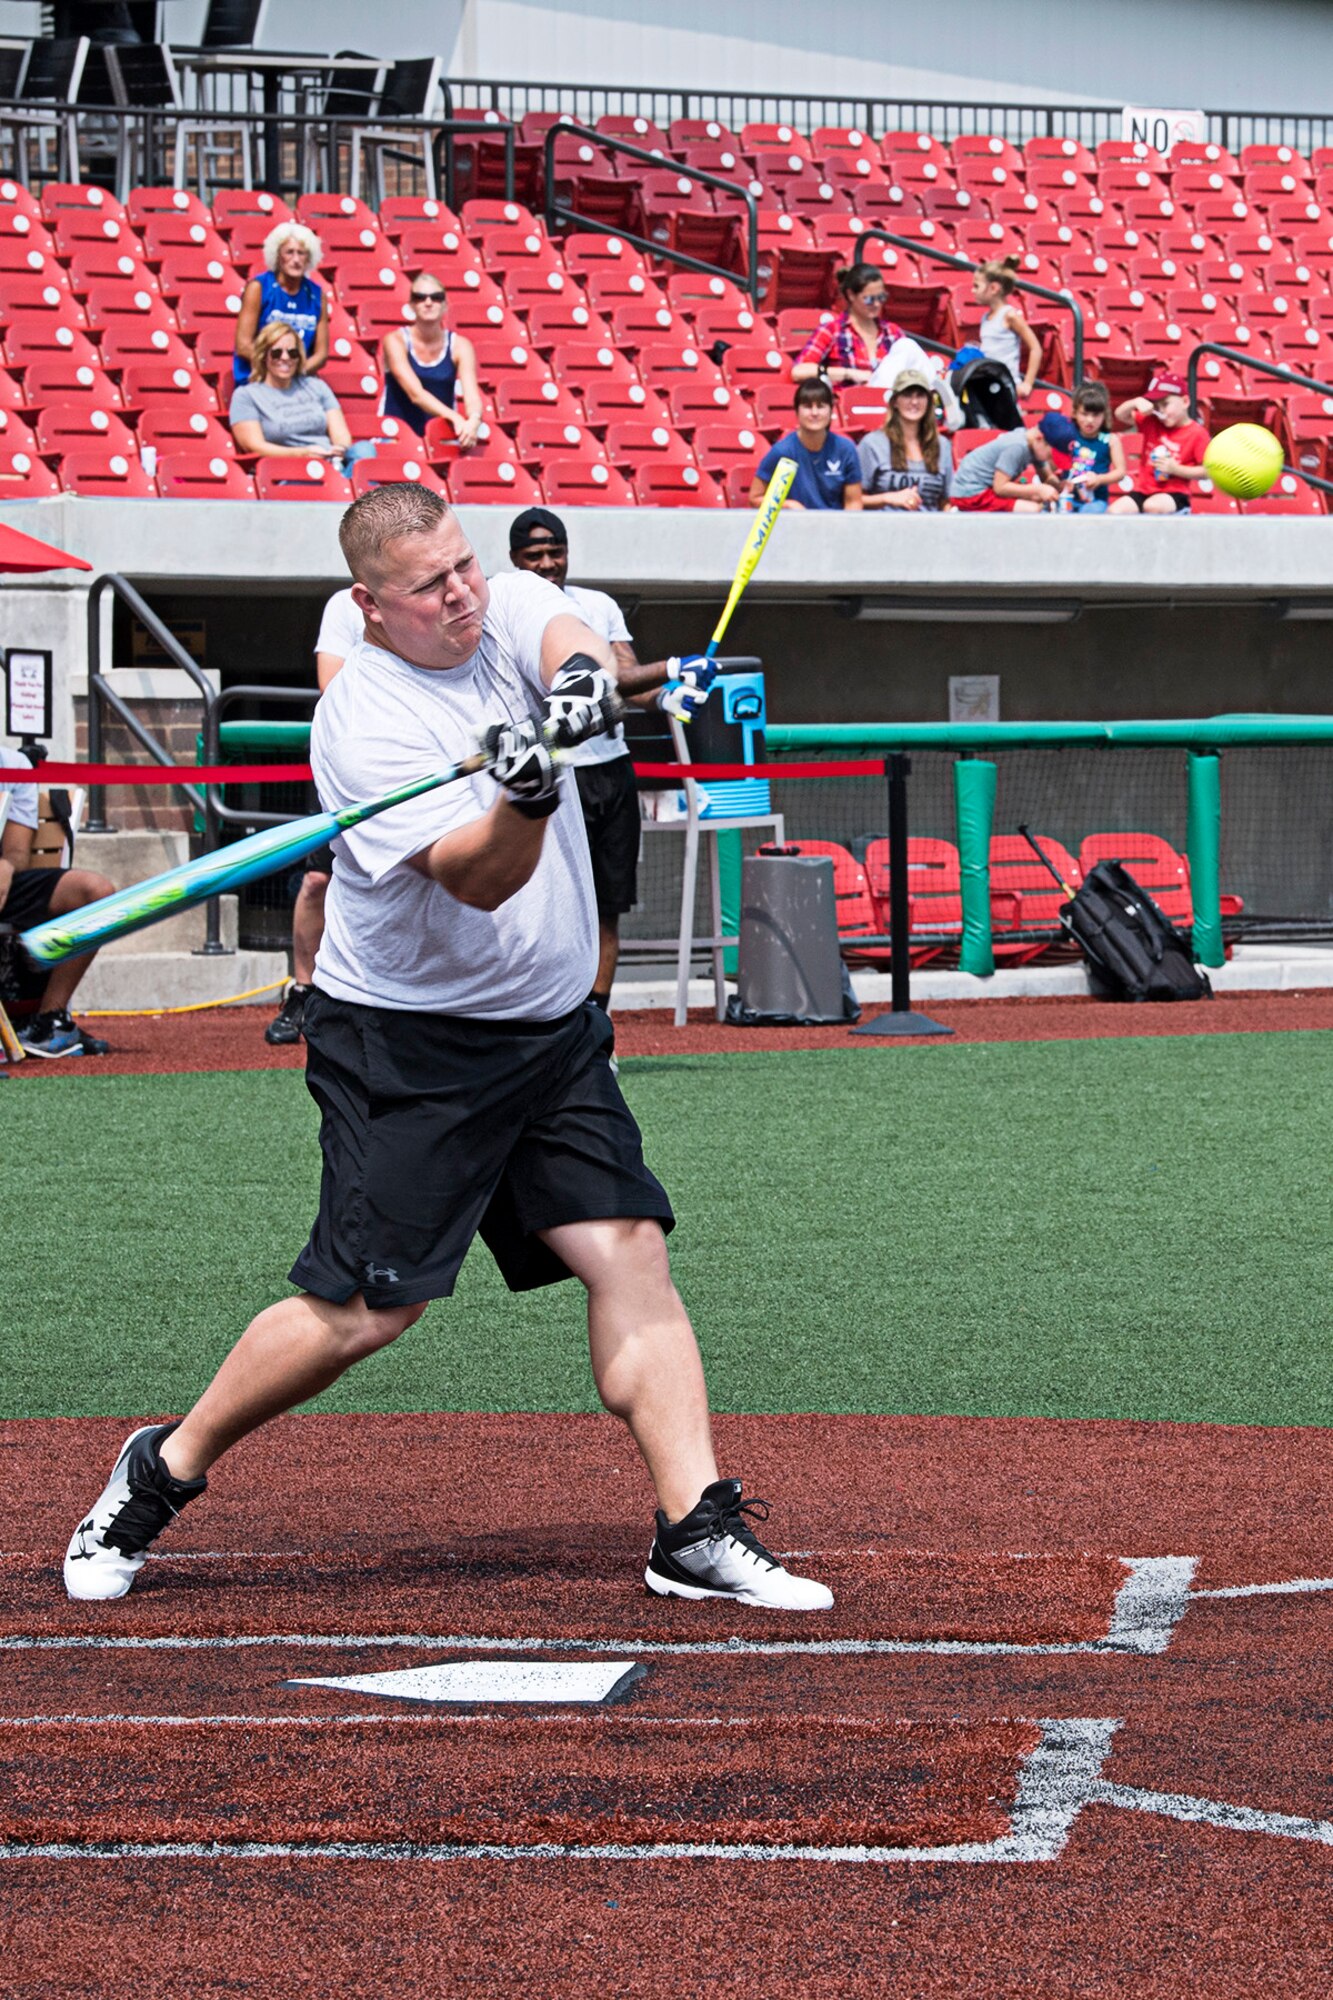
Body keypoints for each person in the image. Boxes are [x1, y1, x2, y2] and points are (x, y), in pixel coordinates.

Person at [64, 484, 832, 1617]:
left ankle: (692, 1524)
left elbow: (560, 631)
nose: (461, 593)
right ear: (370, 607)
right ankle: (158, 1469)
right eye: (429, 586)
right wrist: (526, 790)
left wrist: (575, 686)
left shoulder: (502, 596)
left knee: (627, 1249)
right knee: (366, 1310)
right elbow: (479, 877)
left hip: (551, 1032)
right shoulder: (363, 723)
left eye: (462, 567)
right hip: (407, 1046)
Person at [507, 506, 716, 1012]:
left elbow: (625, 674)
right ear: (515, 560)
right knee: (546, 907)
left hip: (611, 771)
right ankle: (543, 1016)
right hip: (554, 774)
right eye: (534, 555)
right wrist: (670, 671)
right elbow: (615, 680)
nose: (547, 563)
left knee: (607, 907)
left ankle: (596, 1027)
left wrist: (664, 695)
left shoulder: (597, 605)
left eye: (555, 552)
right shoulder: (508, 609)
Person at [265, 587, 363, 1046]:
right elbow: (332, 683)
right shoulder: (345, 605)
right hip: (353, 769)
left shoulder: (442, 598)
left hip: (422, 765)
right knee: (317, 882)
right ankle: (303, 989)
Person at [0, 744, 112, 1057]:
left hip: (5, 886)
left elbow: (17, 852)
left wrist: (7, 867)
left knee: (96, 893)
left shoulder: (13, 763)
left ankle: (49, 1021)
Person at [230, 323, 377, 477]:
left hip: (330, 461)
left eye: (292, 353)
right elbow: (254, 446)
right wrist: (302, 454)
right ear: (264, 355)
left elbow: (340, 433)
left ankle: (345, 485)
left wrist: (339, 448)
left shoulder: (316, 386)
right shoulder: (246, 395)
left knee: (365, 450)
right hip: (289, 468)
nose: (285, 358)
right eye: (276, 353)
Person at [380, 271, 483, 447]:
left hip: (441, 436)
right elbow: (416, 394)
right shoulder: (395, 340)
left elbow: (471, 395)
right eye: (420, 297)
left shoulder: (460, 345)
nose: (428, 303)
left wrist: (473, 420)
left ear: (445, 305)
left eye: (436, 297)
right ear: (411, 305)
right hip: (395, 437)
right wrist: (455, 417)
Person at [233, 222, 329, 385]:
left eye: (302, 253)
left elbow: (321, 354)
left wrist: (295, 371)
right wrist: (279, 369)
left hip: (298, 380)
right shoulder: (259, 288)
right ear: (278, 256)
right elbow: (243, 345)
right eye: (289, 253)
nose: (296, 260)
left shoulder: (317, 295)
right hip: (258, 380)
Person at [751, 379, 864, 511]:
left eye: (821, 406)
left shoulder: (846, 449)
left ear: (831, 411)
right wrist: (788, 505)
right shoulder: (782, 451)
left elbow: (853, 503)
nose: (814, 413)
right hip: (794, 526)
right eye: (808, 406)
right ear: (797, 411)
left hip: (834, 527)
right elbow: (755, 498)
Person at [1109, 371, 1211, 515]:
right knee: (1115, 511)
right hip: (1143, 491)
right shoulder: (1152, 421)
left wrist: (1176, 469)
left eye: (1165, 404)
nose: (1161, 411)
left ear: (1185, 402)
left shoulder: (1197, 433)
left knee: (1153, 507)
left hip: (1175, 494)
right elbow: (1120, 415)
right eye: (1157, 406)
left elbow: (1208, 471)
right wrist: (1136, 402)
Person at [790, 262, 905, 386]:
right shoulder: (832, 330)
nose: (877, 304)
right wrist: (847, 373)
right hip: (846, 400)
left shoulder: (893, 333)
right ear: (851, 295)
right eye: (869, 299)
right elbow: (799, 371)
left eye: (881, 297)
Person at [857, 367, 954, 512]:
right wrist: (887, 498)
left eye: (920, 395)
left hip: (929, 528)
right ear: (895, 401)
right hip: (884, 528)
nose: (914, 401)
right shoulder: (872, 444)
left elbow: (945, 501)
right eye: (907, 395)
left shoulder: (942, 445)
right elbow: (853, 500)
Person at [1037, 383, 1127, 513]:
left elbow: (1120, 472)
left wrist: (1099, 479)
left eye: (1096, 415)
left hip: (1095, 501)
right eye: (1084, 414)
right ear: (1075, 413)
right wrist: (1057, 483)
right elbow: (1048, 464)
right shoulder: (1067, 436)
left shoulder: (1110, 440)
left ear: (1104, 415)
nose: (1090, 420)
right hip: (1066, 497)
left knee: (1088, 513)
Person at [971, 255, 1042, 406]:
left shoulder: (1010, 315)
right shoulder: (985, 317)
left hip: (1007, 385)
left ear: (994, 288)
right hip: (989, 383)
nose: (973, 290)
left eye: (976, 286)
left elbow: (1035, 348)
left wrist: (1027, 383)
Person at [949, 425, 1060, 513]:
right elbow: (1000, 487)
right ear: (1039, 438)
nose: (1050, 460)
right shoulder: (1018, 447)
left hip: (988, 489)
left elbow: (1047, 477)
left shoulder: (1035, 446)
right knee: (1032, 509)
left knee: (1035, 499)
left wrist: (1059, 486)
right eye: (1050, 456)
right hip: (970, 493)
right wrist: (1038, 490)